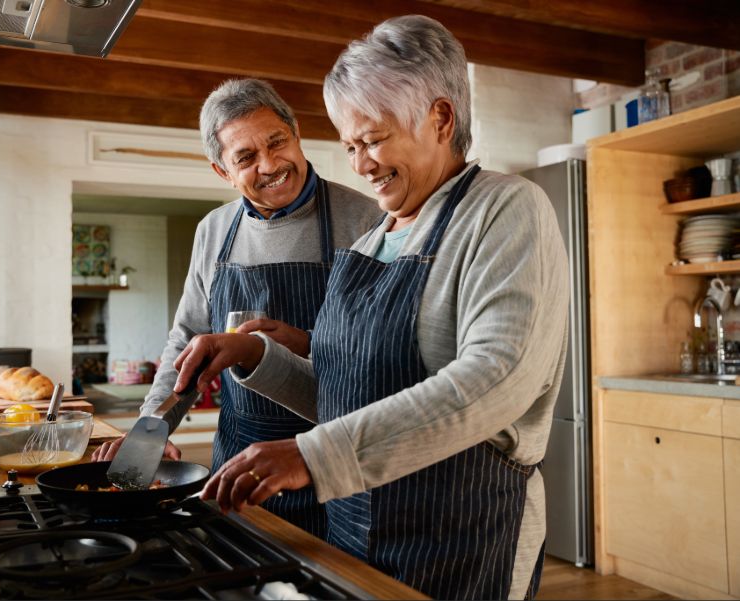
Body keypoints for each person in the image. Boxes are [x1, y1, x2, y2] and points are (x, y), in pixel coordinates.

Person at [172, 15, 569, 600]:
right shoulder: (373, 239)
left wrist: (314, 454)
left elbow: (495, 381)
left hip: (460, 535)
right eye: (350, 145)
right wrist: (258, 355)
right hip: (355, 529)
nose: (360, 165)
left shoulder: (506, 209)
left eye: (374, 139)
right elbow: (344, 392)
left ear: (440, 118)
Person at [91, 78, 383, 538]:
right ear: (221, 171)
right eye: (245, 158)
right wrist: (152, 428)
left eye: (277, 142)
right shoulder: (213, 231)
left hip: (333, 459)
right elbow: (187, 339)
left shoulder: (368, 220)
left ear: (296, 133)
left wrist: (307, 345)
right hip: (238, 460)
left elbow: (382, 357)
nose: (269, 165)